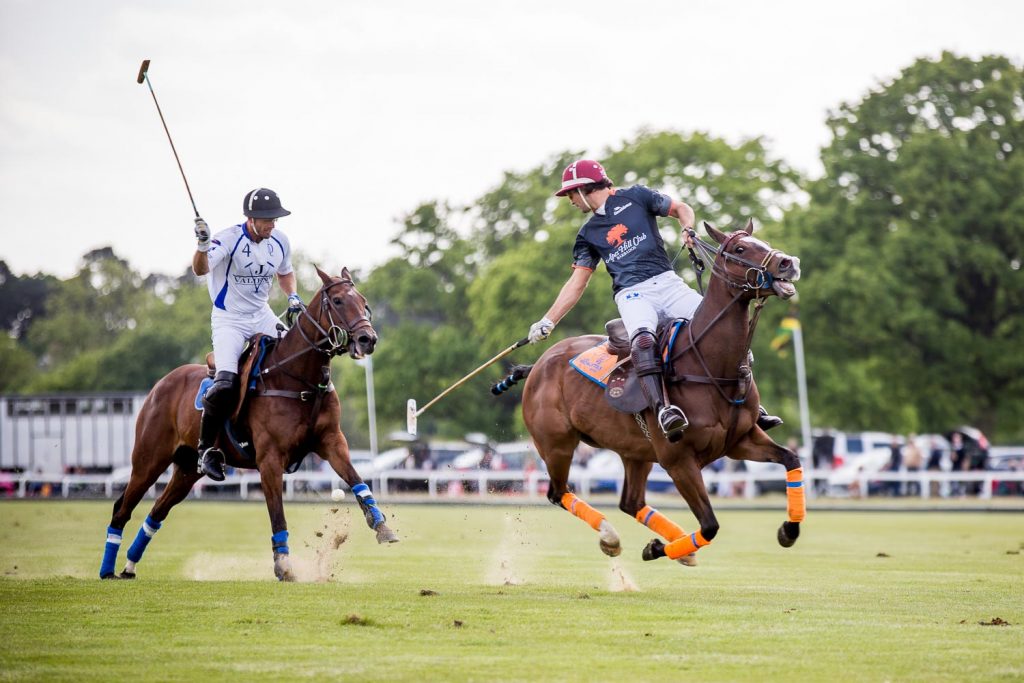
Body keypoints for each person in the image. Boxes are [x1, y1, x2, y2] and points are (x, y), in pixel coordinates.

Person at [526, 159, 782, 441]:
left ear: (585, 189)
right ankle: (664, 410)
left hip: (669, 284)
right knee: (644, 341)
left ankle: (750, 406)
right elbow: (577, 282)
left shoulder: (637, 196)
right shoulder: (587, 234)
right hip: (633, 294)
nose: (571, 201)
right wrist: (548, 320)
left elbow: (680, 208)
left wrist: (688, 228)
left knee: (726, 331)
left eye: (571, 194)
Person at [191, 188, 303, 481]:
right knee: (226, 383)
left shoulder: (279, 241)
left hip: (261, 315)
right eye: (267, 220)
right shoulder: (229, 239)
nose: (272, 225)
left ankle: (292, 437)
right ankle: (206, 451)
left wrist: (292, 296)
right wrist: (202, 245)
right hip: (229, 319)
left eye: (275, 219)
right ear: (250, 218)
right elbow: (200, 269)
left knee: (296, 360)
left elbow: (285, 272)